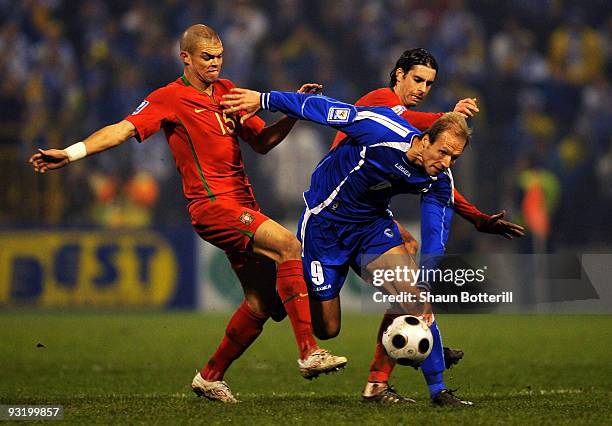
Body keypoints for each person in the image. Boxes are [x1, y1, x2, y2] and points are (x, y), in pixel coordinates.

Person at [28, 24, 347, 404]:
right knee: (287, 245)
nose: (215, 63)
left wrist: (292, 113)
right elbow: (121, 130)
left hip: (243, 205)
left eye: (219, 56)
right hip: (212, 206)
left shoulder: (228, 93)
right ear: (186, 58)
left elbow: (262, 143)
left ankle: (210, 377)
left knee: (260, 305)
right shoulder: (169, 98)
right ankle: (309, 351)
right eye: (207, 58)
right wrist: (71, 152)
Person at [221, 88, 479, 405]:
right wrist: (264, 100)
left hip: (372, 227)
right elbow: (320, 107)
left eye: (455, 157)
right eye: (443, 152)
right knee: (328, 328)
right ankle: (284, 296)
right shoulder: (380, 129)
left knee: (412, 297)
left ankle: (427, 390)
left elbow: (436, 232)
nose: (446, 162)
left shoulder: (440, 179)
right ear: (426, 139)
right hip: (324, 226)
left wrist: (424, 279)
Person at [329, 48, 524, 404]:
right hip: (337, 214)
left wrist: (477, 217)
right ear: (399, 74)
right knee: (332, 321)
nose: (421, 88)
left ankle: (396, 371)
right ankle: (421, 345)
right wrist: (448, 117)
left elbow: (440, 183)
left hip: (367, 217)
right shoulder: (382, 101)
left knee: (411, 291)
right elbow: (410, 119)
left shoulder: (417, 138)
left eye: (429, 83)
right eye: (416, 79)